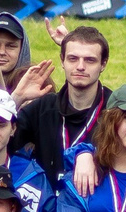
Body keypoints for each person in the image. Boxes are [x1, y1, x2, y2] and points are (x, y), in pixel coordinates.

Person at [18, 27, 112, 192]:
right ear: (62, 61)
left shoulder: (115, 110)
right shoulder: (44, 107)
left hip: (95, 210)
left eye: (90, 60)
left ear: (103, 64)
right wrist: (17, 98)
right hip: (48, 210)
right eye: (73, 58)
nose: (80, 66)